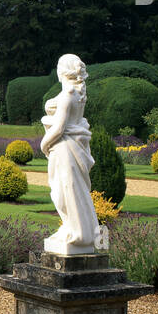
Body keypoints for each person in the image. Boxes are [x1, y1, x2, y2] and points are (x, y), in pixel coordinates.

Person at [41, 54, 104, 254]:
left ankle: (77, 233)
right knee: (72, 191)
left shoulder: (68, 96)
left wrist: (43, 145)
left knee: (64, 192)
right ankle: (74, 229)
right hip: (72, 146)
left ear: (62, 72)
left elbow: (59, 129)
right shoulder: (76, 94)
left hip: (64, 148)